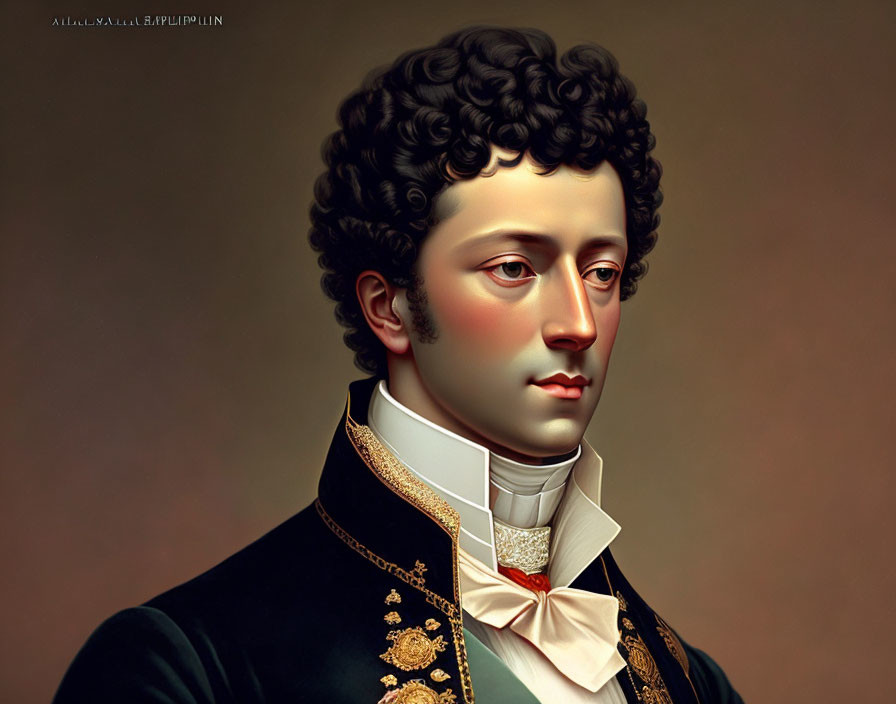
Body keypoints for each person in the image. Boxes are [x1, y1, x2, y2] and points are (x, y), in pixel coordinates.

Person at [54, 27, 743, 704]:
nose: (579, 323)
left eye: (601, 271)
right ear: (391, 307)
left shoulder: (691, 683)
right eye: (513, 268)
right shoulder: (188, 666)